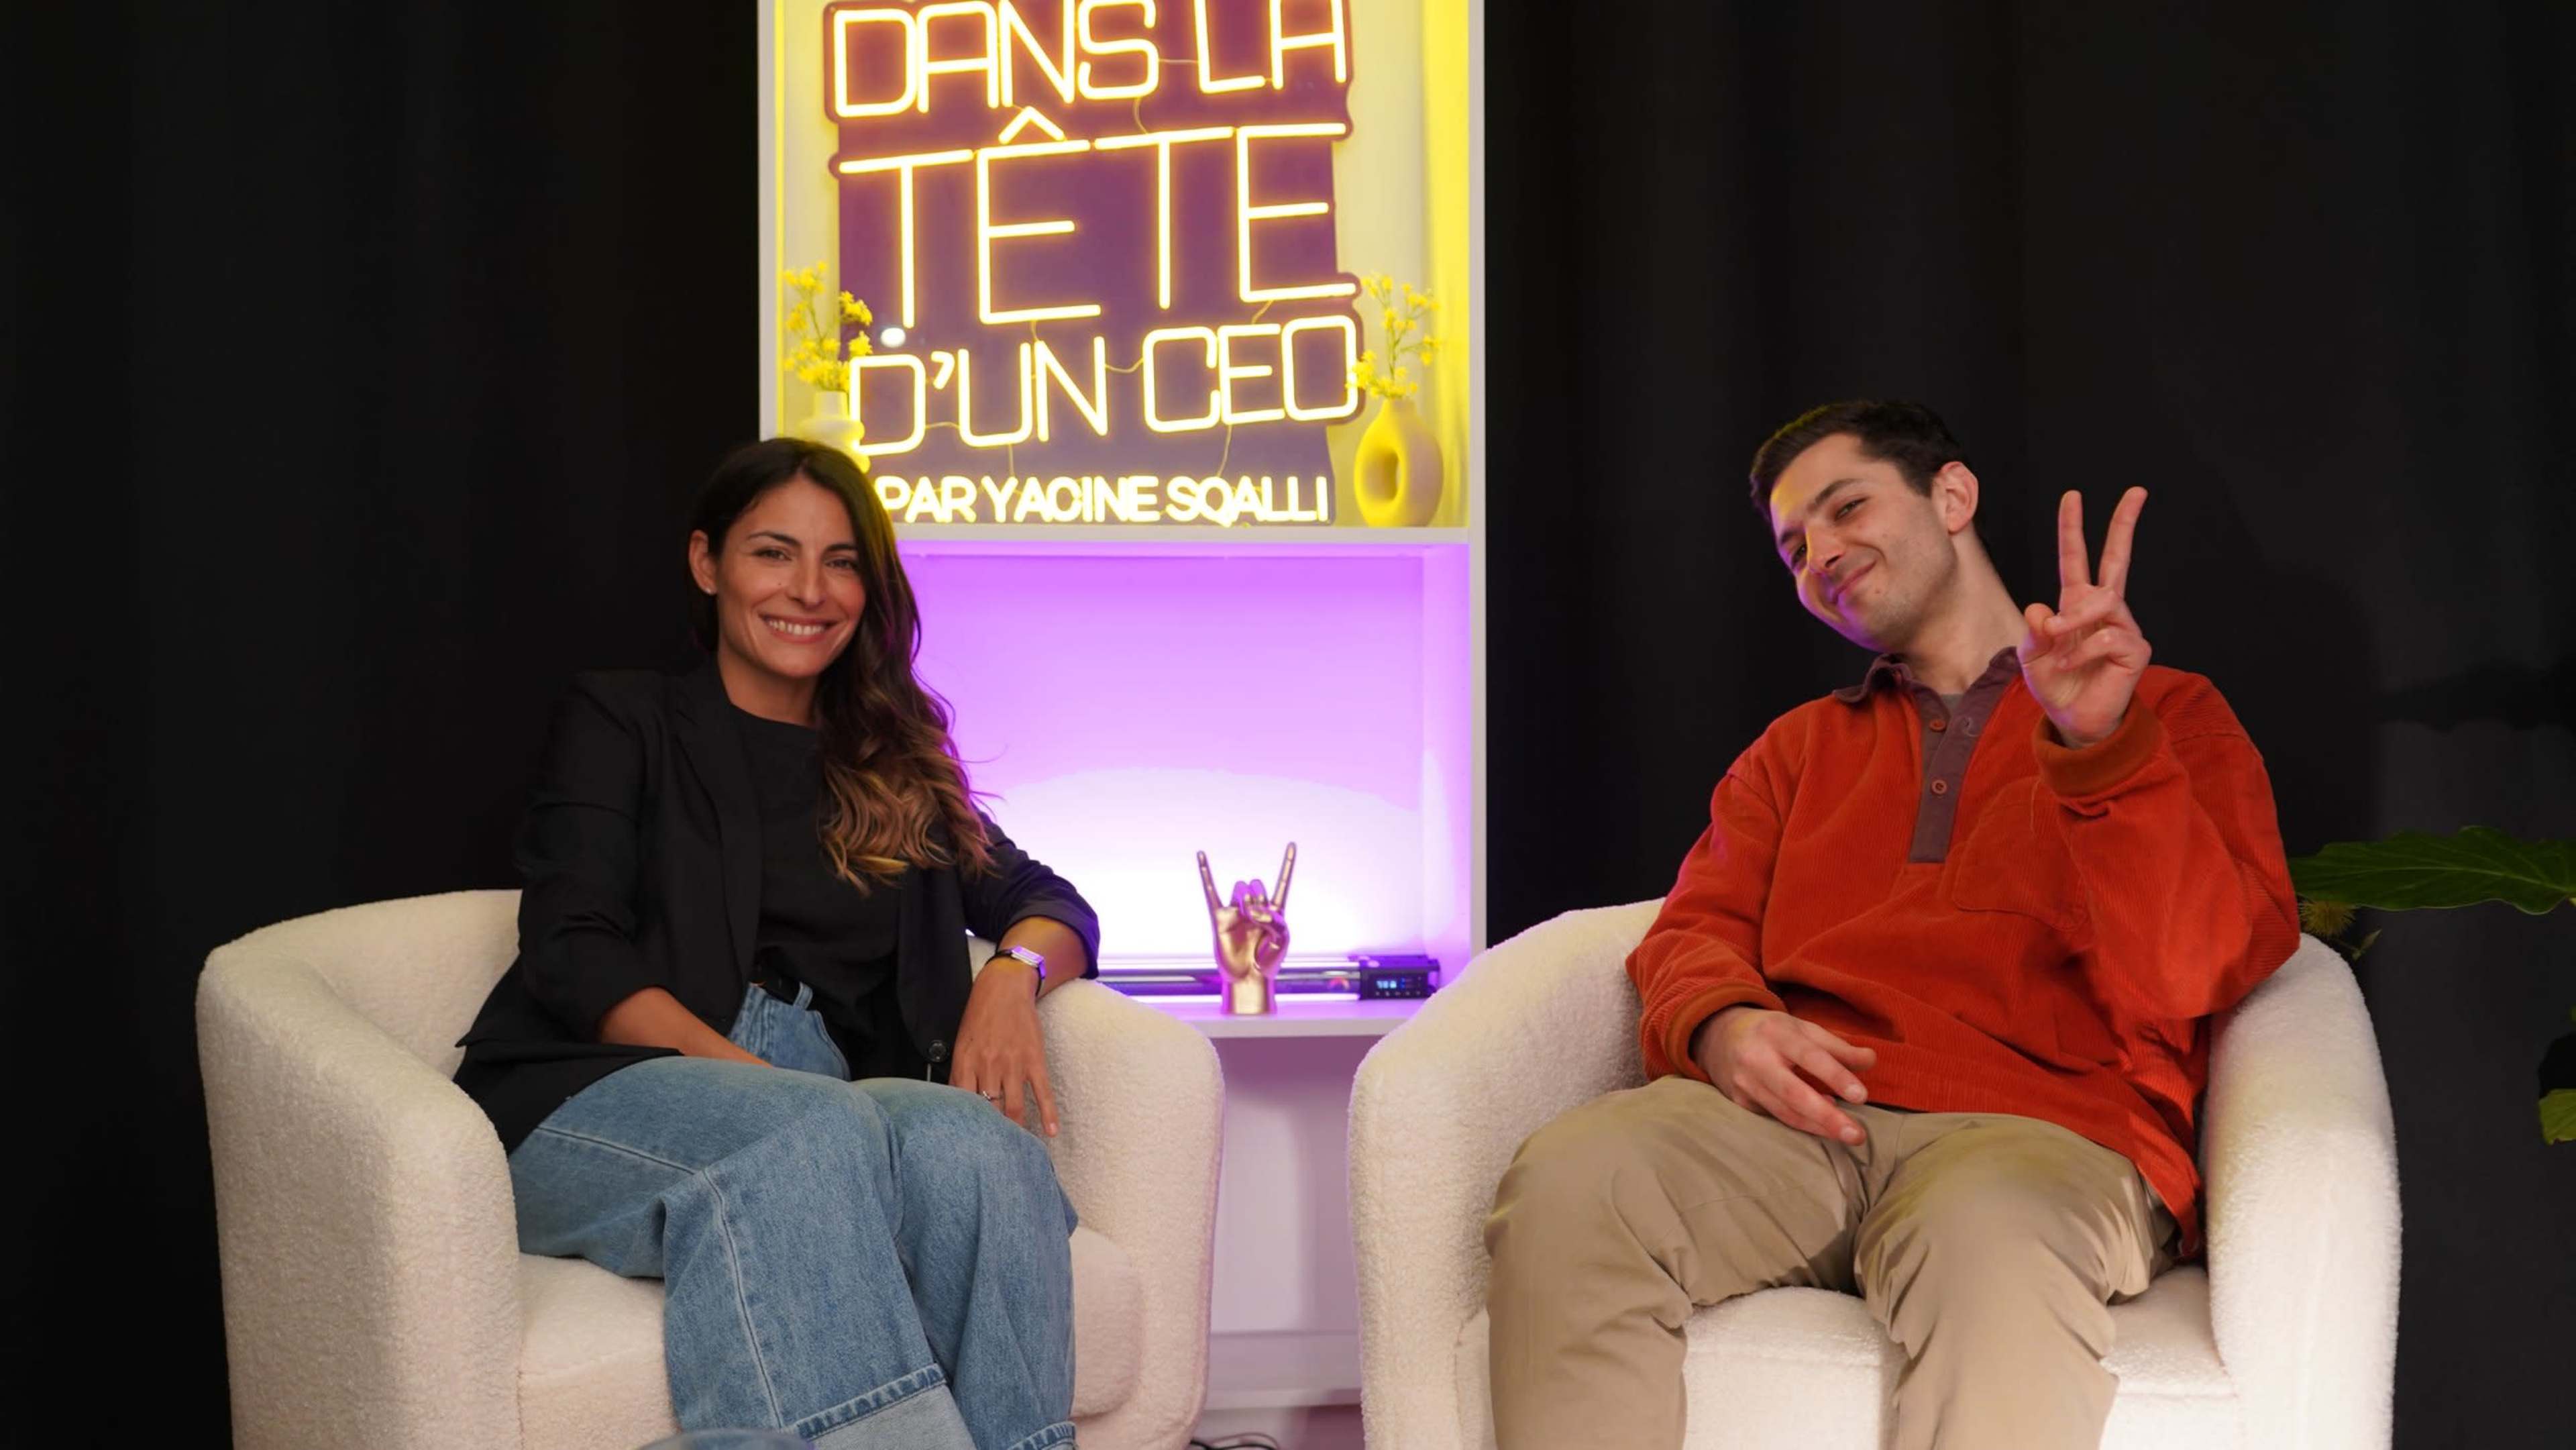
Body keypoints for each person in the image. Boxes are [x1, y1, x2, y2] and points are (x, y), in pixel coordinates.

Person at [1483, 401, 2299, 1450]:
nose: (1820, 552)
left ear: (1952, 497)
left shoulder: (2170, 714)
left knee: (1987, 1240)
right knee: (1573, 1178)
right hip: (1800, 1131)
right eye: (1794, 545)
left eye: (1845, 506)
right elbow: (1692, 931)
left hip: (2046, 1141)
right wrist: (1728, 1023)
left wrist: (2100, 749)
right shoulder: (1795, 750)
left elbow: (2201, 967)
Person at [453, 437, 1099, 1450]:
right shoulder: (626, 719)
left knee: (983, 1145)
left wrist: (1011, 978)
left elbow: (1047, 900)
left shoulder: (897, 765)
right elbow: (574, 945)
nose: (810, 589)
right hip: (604, 1085)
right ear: (708, 564)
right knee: (810, 1131)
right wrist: (758, 1085)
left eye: (841, 561)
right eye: (774, 553)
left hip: (825, 1102)